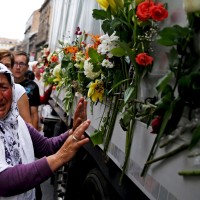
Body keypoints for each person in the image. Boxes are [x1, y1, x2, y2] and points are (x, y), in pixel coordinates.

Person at [0, 63, 90, 199]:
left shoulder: (16, 121)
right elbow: (3, 181)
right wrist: (60, 157)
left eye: (4, 87)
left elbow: (45, 146)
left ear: (12, 90)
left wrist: (73, 132)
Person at [0, 49, 32, 125]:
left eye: (7, 66)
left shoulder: (18, 90)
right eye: (0, 64)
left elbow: (27, 124)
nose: (3, 68)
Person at [11, 51, 41, 130]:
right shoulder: (5, 84)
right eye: (15, 63)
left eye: (21, 64)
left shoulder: (33, 87)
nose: (18, 67)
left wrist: (33, 138)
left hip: (23, 129)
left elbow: (34, 114)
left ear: (27, 67)